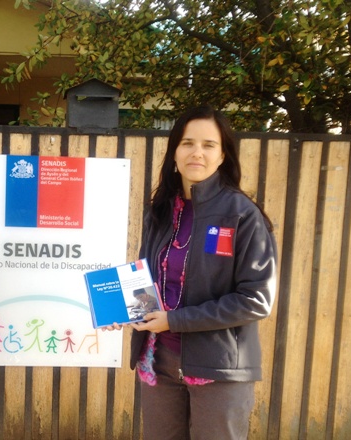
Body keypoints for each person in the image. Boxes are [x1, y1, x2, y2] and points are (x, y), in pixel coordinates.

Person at [106, 105, 277, 439]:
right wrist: (124, 308)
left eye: (209, 145)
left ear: (223, 155)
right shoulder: (161, 212)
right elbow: (147, 280)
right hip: (159, 361)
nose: (197, 152)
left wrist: (175, 320)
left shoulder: (242, 215)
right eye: (187, 143)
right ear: (174, 152)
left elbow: (256, 300)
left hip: (219, 368)